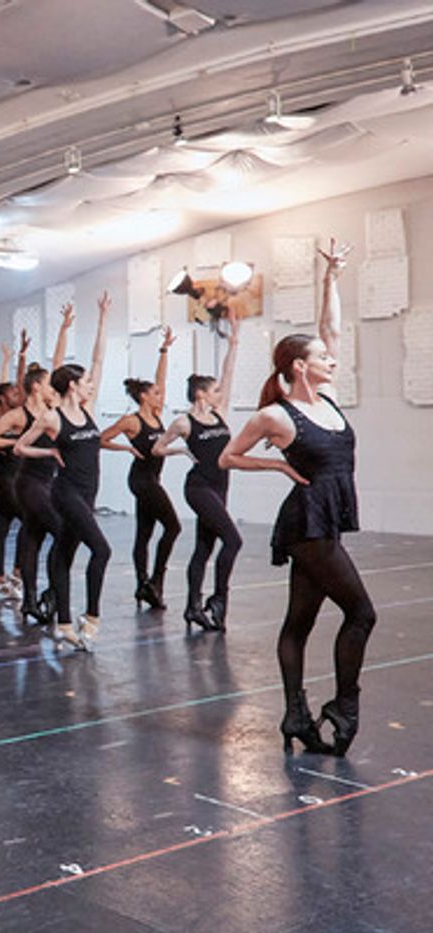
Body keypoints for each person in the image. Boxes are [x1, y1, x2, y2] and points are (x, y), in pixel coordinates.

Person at [221, 239, 370, 757]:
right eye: (323, 358)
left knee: (298, 623)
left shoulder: (325, 398)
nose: (332, 359)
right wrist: (278, 463)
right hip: (306, 521)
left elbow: (330, 328)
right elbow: (228, 458)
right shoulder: (277, 415)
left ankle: (293, 715)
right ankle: (343, 707)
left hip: (325, 517)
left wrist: (332, 279)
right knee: (362, 613)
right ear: (300, 367)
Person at [15, 292, 112, 651]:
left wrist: (102, 320)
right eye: (85, 381)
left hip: (89, 491)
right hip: (66, 492)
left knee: (63, 554)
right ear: (72, 385)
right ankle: (91, 618)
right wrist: (50, 449)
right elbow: (19, 446)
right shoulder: (52, 416)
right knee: (101, 550)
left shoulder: (87, 408)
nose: (90, 385)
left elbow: (99, 360)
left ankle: (63, 623)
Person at [0, 306, 74, 624]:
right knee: (50, 530)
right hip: (21, 480)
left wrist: (63, 329)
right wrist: (17, 445)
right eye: (47, 384)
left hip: (47, 480)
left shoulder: (52, 407)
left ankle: (28, 592)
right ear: (37, 387)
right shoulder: (20, 414)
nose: (53, 388)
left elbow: (60, 369)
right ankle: (30, 587)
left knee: (29, 534)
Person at [154, 314, 241, 633]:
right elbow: (157, 449)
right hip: (199, 487)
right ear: (201, 394)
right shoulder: (183, 423)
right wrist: (181, 451)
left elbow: (229, 374)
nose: (220, 393)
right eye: (214, 390)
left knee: (204, 547)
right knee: (233, 539)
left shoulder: (219, 413)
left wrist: (234, 342)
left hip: (220, 486)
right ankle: (218, 601)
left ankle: (193, 608)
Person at [101, 326, 182, 610]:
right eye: (156, 393)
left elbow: (162, 379)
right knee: (173, 526)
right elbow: (101, 439)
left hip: (152, 478)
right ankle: (154, 582)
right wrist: (126, 447)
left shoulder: (157, 415)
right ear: (144, 396)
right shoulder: (131, 421)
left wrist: (164, 350)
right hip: (141, 480)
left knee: (144, 533)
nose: (160, 395)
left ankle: (143, 586)